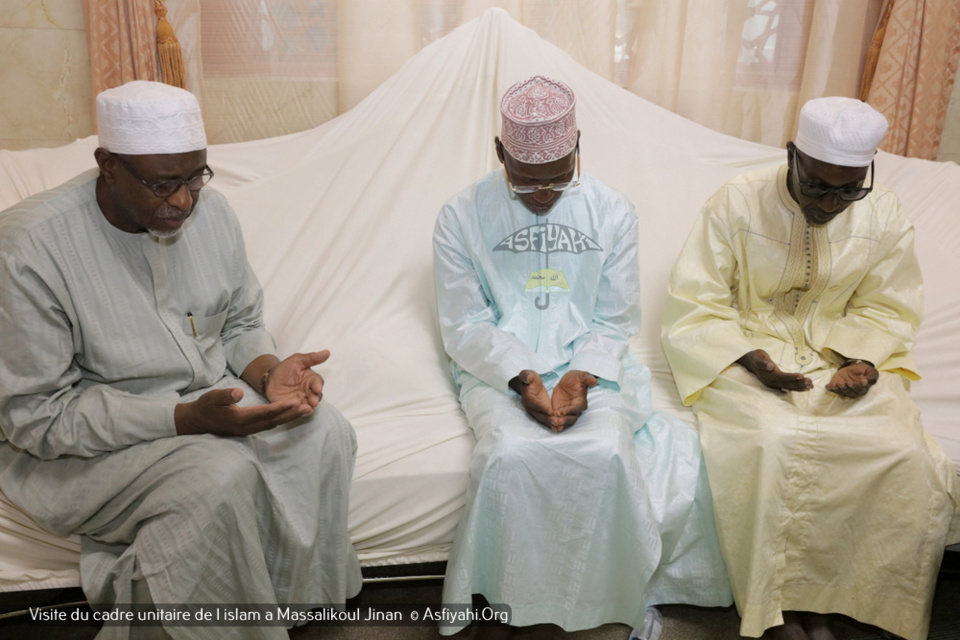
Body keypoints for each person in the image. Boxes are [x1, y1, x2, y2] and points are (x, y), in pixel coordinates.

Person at [0, 81, 362, 639]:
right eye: (164, 183)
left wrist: (269, 372)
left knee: (322, 431)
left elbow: (238, 322)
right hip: (78, 447)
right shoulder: (30, 248)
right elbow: (37, 417)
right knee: (217, 472)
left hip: (205, 401)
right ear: (108, 166)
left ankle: (282, 615)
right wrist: (185, 420)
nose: (185, 202)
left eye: (196, 177)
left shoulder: (210, 216)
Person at [433, 75, 732, 639]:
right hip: (496, 373)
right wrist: (521, 379)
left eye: (557, 178)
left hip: (592, 366)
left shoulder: (613, 212)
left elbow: (614, 320)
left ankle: (606, 602)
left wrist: (581, 375)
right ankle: (506, 602)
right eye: (525, 181)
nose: (543, 194)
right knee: (511, 456)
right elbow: (465, 324)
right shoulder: (460, 217)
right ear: (500, 154)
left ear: (577, 149)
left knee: (607, 452)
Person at [661, 96, 960, 640]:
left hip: (840, 355)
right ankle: (775, 610)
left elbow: (888, 305)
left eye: (849, 190)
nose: (829, 204)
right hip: (746, 352)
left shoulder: (884, 211)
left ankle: (839, 605)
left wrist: (864, 360)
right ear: (793, 155)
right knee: (774, 440)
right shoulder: (737, 201)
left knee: (903, 453)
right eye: (817, 186)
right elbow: (696, 302)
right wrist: (754, 361)